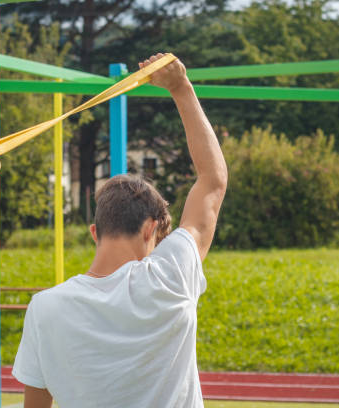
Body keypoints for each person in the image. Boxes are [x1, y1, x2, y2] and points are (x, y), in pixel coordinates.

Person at [12, 53, 228, 408]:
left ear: (96, 232)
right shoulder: (169, 278)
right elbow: (213, 180)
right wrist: (180, 87)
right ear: (151, 229)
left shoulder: (44, 308)